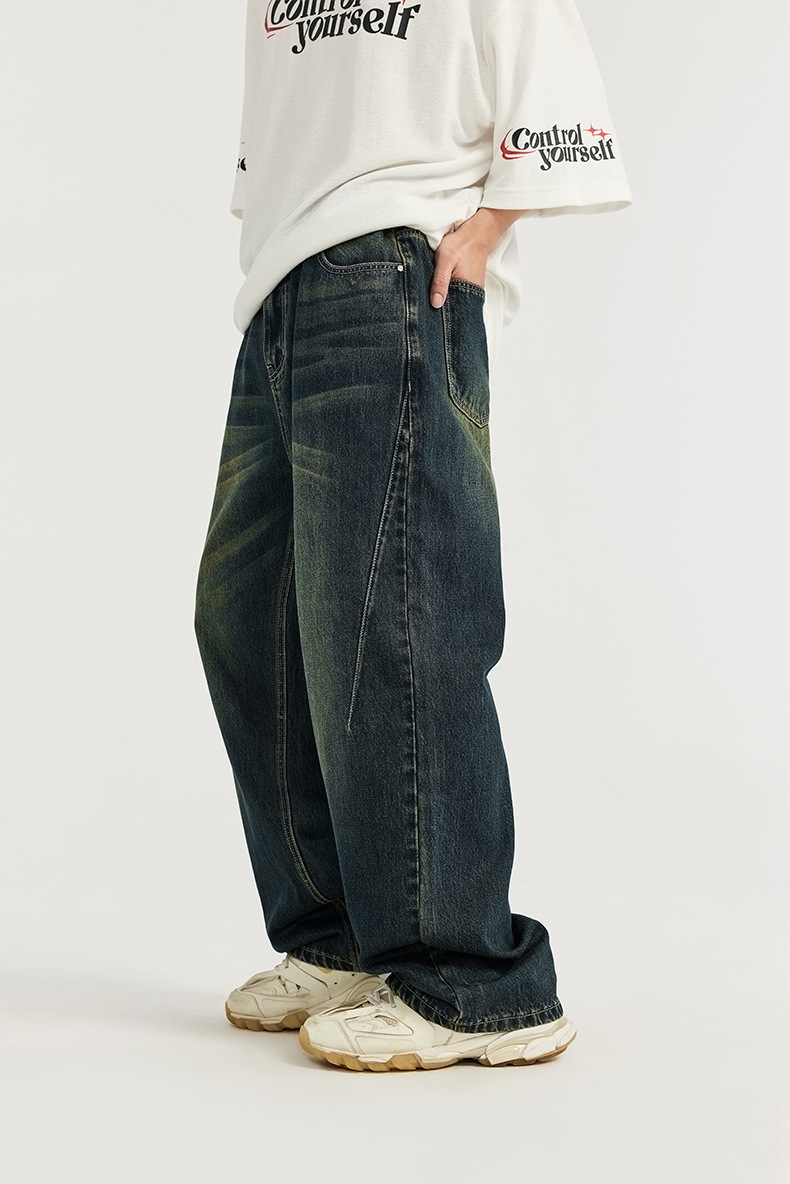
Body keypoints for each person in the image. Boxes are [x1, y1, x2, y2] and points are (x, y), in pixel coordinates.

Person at [194, 0, 632, 1073]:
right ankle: (340, 937)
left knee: (395, 619)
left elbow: (547, 55)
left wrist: (486, 230)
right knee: (249, 623)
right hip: (281, 291)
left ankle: (472, 980)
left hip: (392, 268)